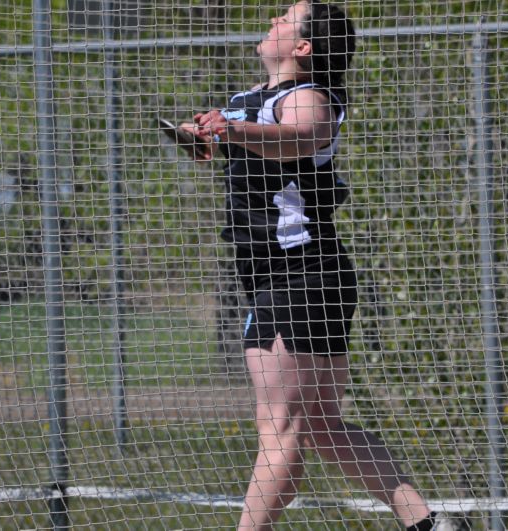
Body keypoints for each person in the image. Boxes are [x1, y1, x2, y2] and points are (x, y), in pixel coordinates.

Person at [181, 2, 468, 529]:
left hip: (301, 274)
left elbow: (301, 138)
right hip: (280, 276)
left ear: (303, 48)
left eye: (285, 18)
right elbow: (251, 153)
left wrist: (232, 133)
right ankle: (428, 524)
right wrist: (206, 137)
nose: (271, 20)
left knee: (283, 428)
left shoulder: (308, 96)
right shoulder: (247, 102)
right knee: (316, 428)